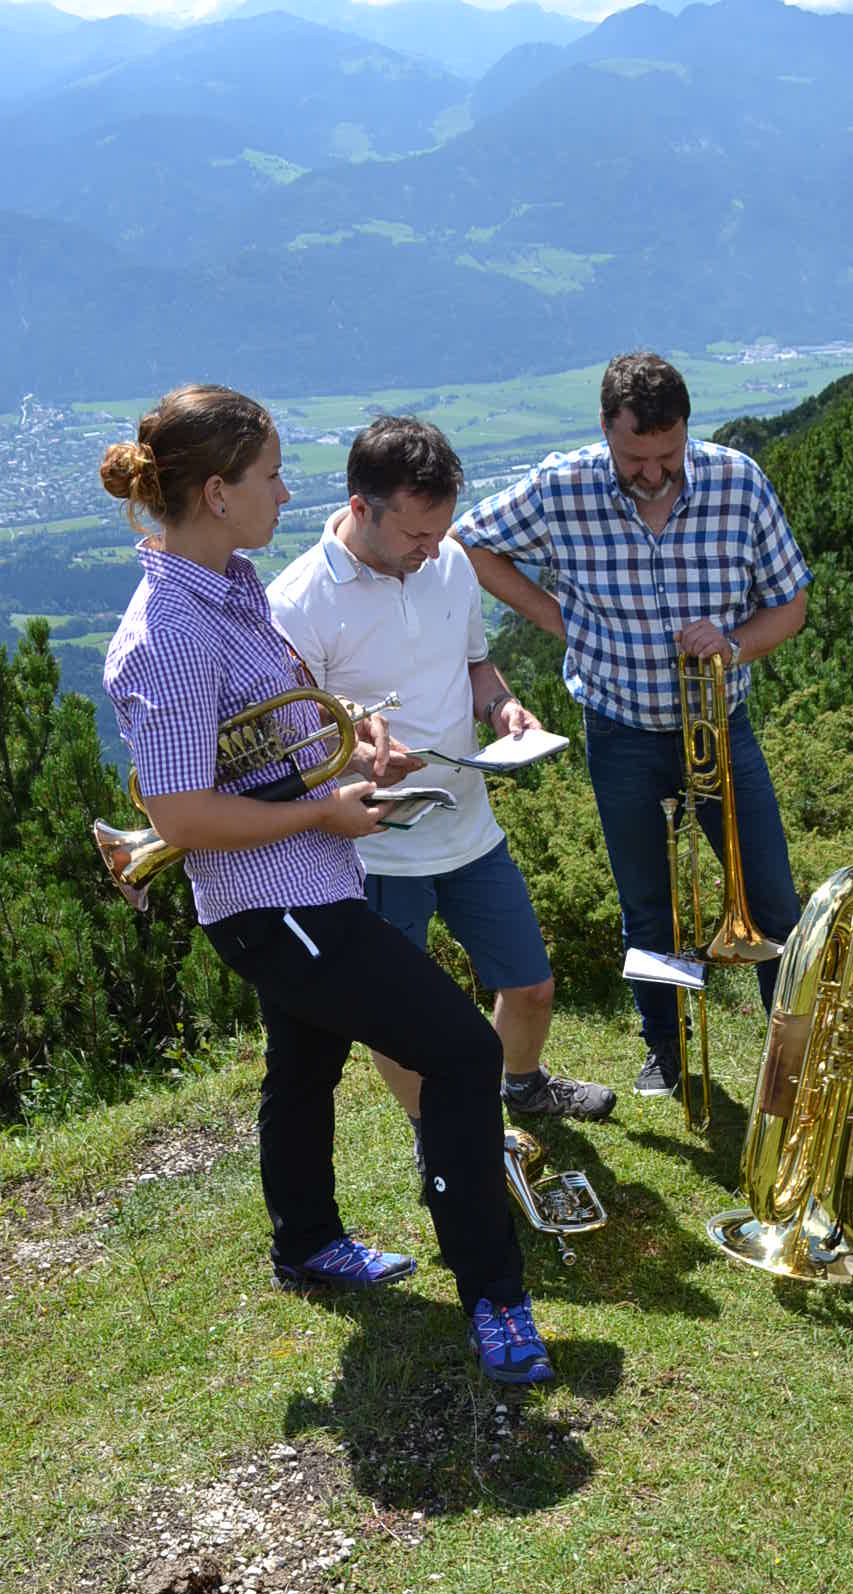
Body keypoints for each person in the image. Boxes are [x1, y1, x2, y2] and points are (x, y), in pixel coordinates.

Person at [100, 384, 556, 1388]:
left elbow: (269, 725)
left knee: (302, 1073)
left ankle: (306, 1242)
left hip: (306, 882)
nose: (284, 489)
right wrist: (323, 812)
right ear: (217, 492)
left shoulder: (230, 586)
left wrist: (351, 735)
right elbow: (178, 814)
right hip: (279, 904)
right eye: (268, 474)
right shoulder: (171, 628)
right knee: (462, 1051)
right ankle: (495, 1296)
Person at [267, 415, 614, 1193]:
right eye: (416, 534)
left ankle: (521, 1085)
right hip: (376, 843)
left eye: (440, 532)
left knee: (530, 984)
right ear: (361, 508)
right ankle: (436, 1132)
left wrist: (504, 710)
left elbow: (478, 668)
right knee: (399, 1016)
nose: (431, 550)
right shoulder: (298, 601)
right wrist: (362, 754)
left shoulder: (450, 562)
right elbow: (296, 740)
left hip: (468, 822)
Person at [453, 351, 811, 1098]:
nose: (652, 474)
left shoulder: (738, 481)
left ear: (688, 430)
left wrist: (735, 644)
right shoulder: (563, 483)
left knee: (772, 898)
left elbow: (791, 604)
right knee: (647, 907)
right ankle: (667, 1051)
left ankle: (796, 1050)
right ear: (605, 433)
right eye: (634, 458)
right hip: (617, 732)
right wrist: (561, 621)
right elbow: (469, 544)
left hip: (720, 725)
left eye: (668, 456)